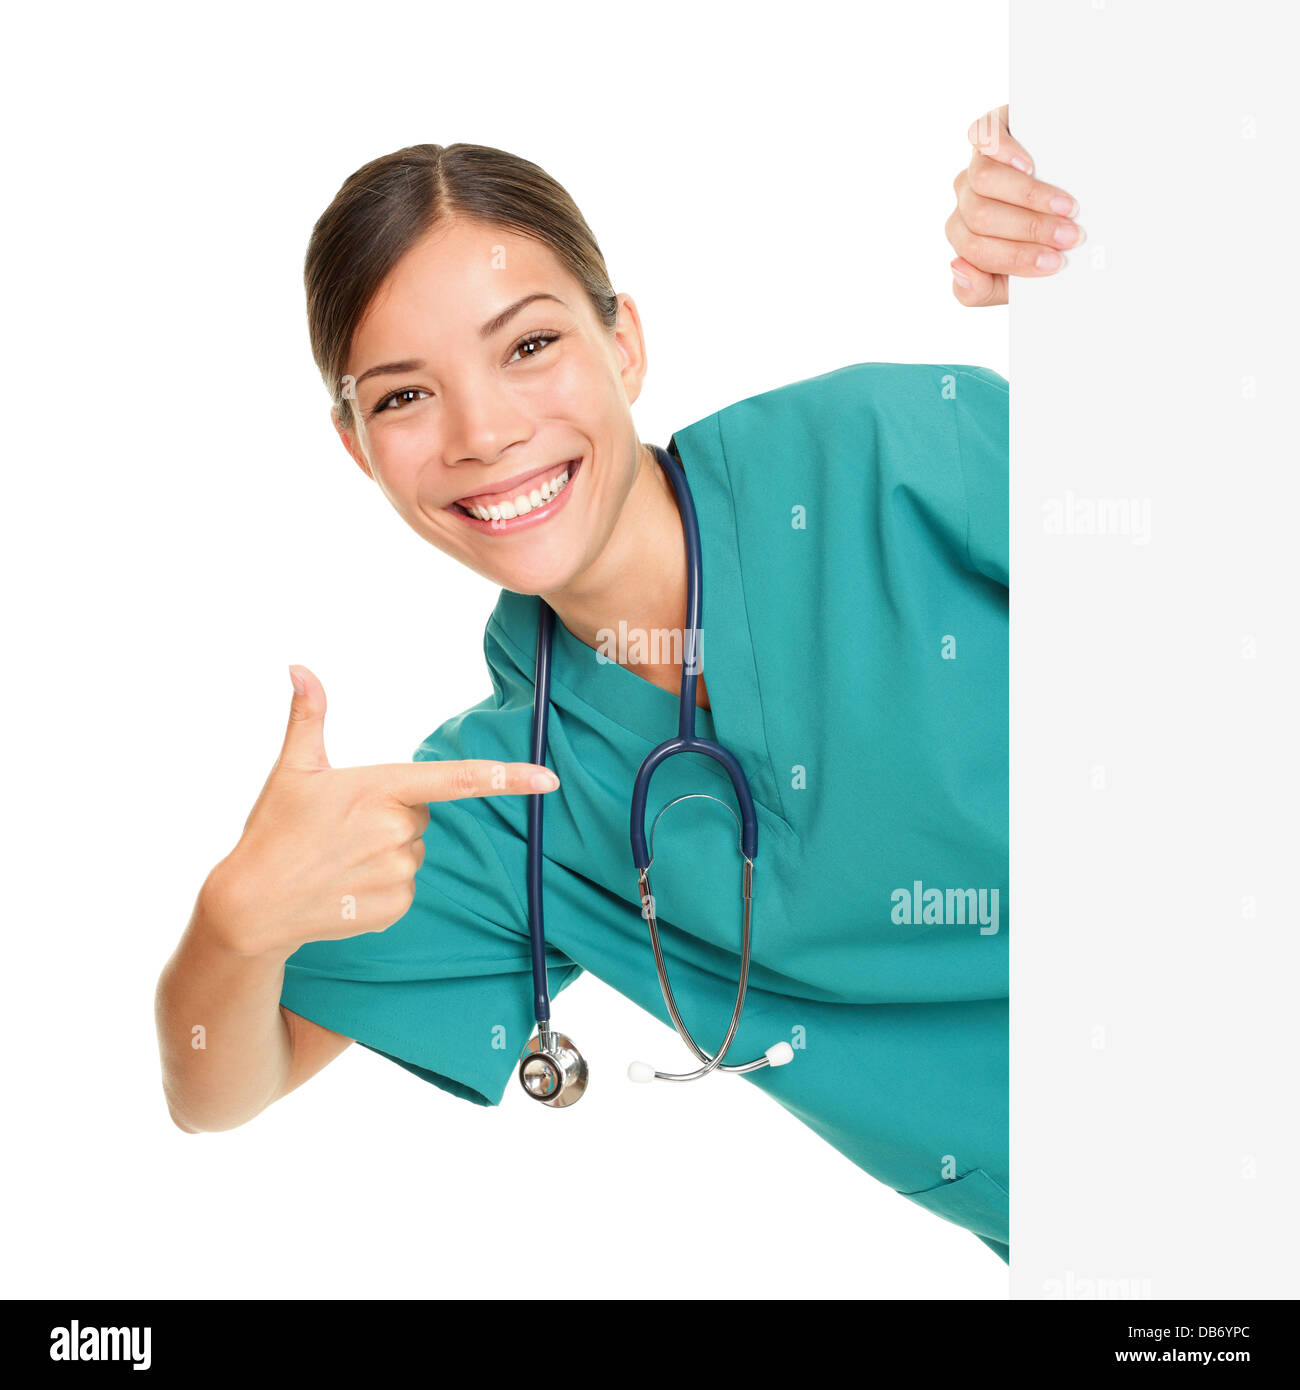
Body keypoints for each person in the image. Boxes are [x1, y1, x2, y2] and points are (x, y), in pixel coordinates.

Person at [155, 106, 1081, 1267]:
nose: (484, 431)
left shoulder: (888, 450)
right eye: (402, 395)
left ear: (624, 343)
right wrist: (232, 927)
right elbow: (222, 1086)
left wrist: (1117, 288)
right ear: (356, 446)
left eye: (529, 345)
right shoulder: (511, 799)